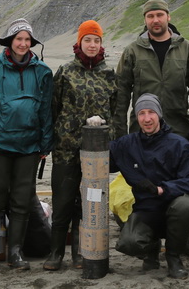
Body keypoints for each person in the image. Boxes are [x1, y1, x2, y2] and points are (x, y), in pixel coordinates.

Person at [0, 18, 55, 273]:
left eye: (27, 39)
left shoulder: (42, 71)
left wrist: (45, 142)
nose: (23, 43)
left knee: (21, 201)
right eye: (19, 39)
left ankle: (15, 253)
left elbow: (45, 111)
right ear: (10, 41)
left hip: (28, 148)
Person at [43, 20, 119, 271]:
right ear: (79, 42)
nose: (92, 45)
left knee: (87, 203)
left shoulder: (109, 75)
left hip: (95, 155)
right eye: (88, 40)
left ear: (101, 45)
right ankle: (56, 253)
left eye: (96, 40)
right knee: (63, 201)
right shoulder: (65, 72)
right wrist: (52, 139)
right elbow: (53, 109)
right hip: (66, 149)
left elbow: (115, 111)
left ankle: (79, 253)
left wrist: (113, 143)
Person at [110, 93, 189, 279]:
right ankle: (151, 249)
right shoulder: (127, 144)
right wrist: (94, 129)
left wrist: (163, 189)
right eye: (142, 113)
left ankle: (173, 256)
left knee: (185, 206)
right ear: (136, 117)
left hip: (173, 208)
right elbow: (101, 155)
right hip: (146, 211)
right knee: (128, 243)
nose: (147, 119)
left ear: (159, 115)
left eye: (151, 112)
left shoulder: (179, 145)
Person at [116, 0, 189, 140]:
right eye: (150, 16)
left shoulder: (186, 48)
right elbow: (121, 95)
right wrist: (120, 135)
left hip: (179, 131)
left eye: (159, 15)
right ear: (145, 20)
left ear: (168, 17)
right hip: (142, 132)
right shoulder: (132, 51)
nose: (155, 20)